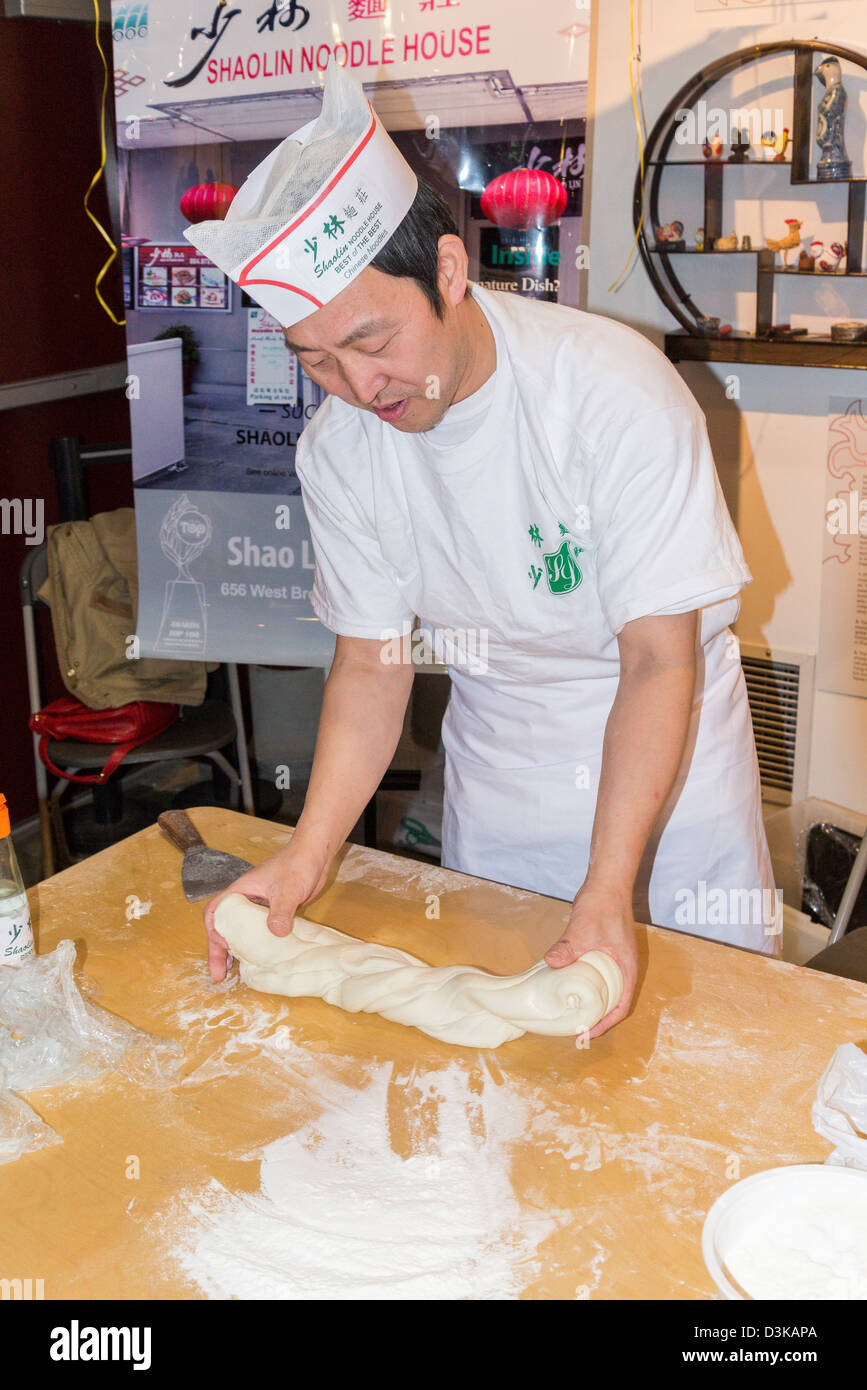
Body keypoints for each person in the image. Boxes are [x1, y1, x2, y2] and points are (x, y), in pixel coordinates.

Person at [193, 68, 777, 1037]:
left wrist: (606, 888)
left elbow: (658, 657)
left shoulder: (607, 392)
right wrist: (306, 856)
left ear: (452, 274)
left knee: (695, 1057)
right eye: (315, 357)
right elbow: (374, 665)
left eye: (373, 339)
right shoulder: (339, 447)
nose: (356, 384)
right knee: (505, 1077)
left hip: (663, 778)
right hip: (500, 772)